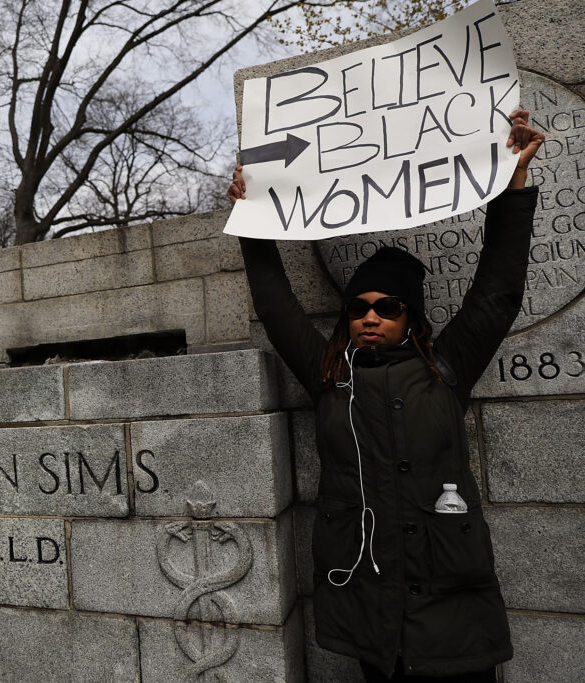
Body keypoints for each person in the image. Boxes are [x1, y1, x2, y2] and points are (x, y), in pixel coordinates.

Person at [226, 109, 544, 681]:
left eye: (387, 307)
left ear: (410, 318)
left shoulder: (445, 368)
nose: (371, 317)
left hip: (449, 595)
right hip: (368, 593)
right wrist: (250, 218)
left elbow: (496, 294)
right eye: (359, 307)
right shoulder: (330, 377)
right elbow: (276, 307)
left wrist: (512, 185)